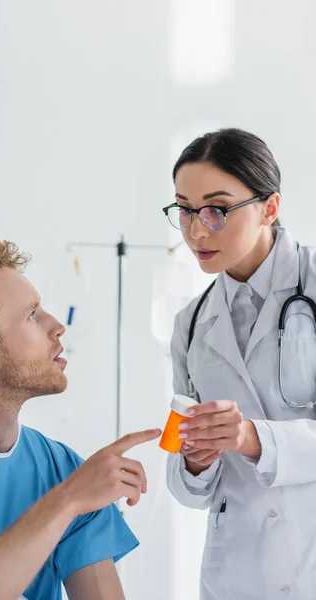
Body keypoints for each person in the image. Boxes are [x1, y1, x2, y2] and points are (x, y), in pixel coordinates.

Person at [0, 240, 161, 600]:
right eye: (32, 315)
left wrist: (73, 495)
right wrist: (66, 502)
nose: (58, 326)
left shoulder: (66, 470)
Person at [163, 128, 316, 600]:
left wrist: (252, 438)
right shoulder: (190, 325)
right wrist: (194, 461)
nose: (196, 230)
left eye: (216, 209)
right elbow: (185, 483)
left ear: (270, 207)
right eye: (185, 209)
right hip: (238, 574)